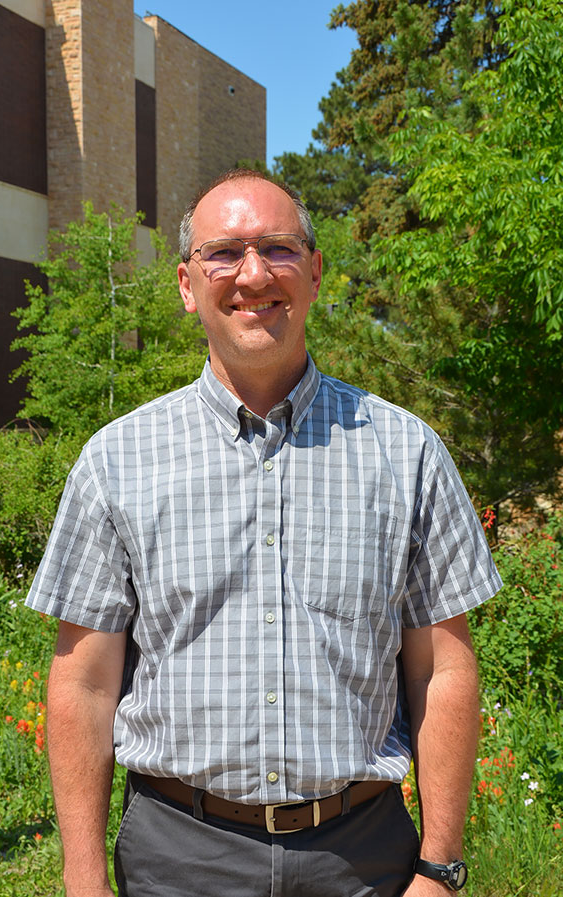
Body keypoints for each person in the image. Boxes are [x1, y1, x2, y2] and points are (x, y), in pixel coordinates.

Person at [25, 169, 502, 897]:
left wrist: (438, 869)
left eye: (278, 248)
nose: (252, 273)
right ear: (188, 284)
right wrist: (84, 879)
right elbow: (84, 683)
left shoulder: (406, 453)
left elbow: (441, 668)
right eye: (224, 252)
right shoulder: (116, 461)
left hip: (364, 858)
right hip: (177, 858)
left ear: (314, 272)